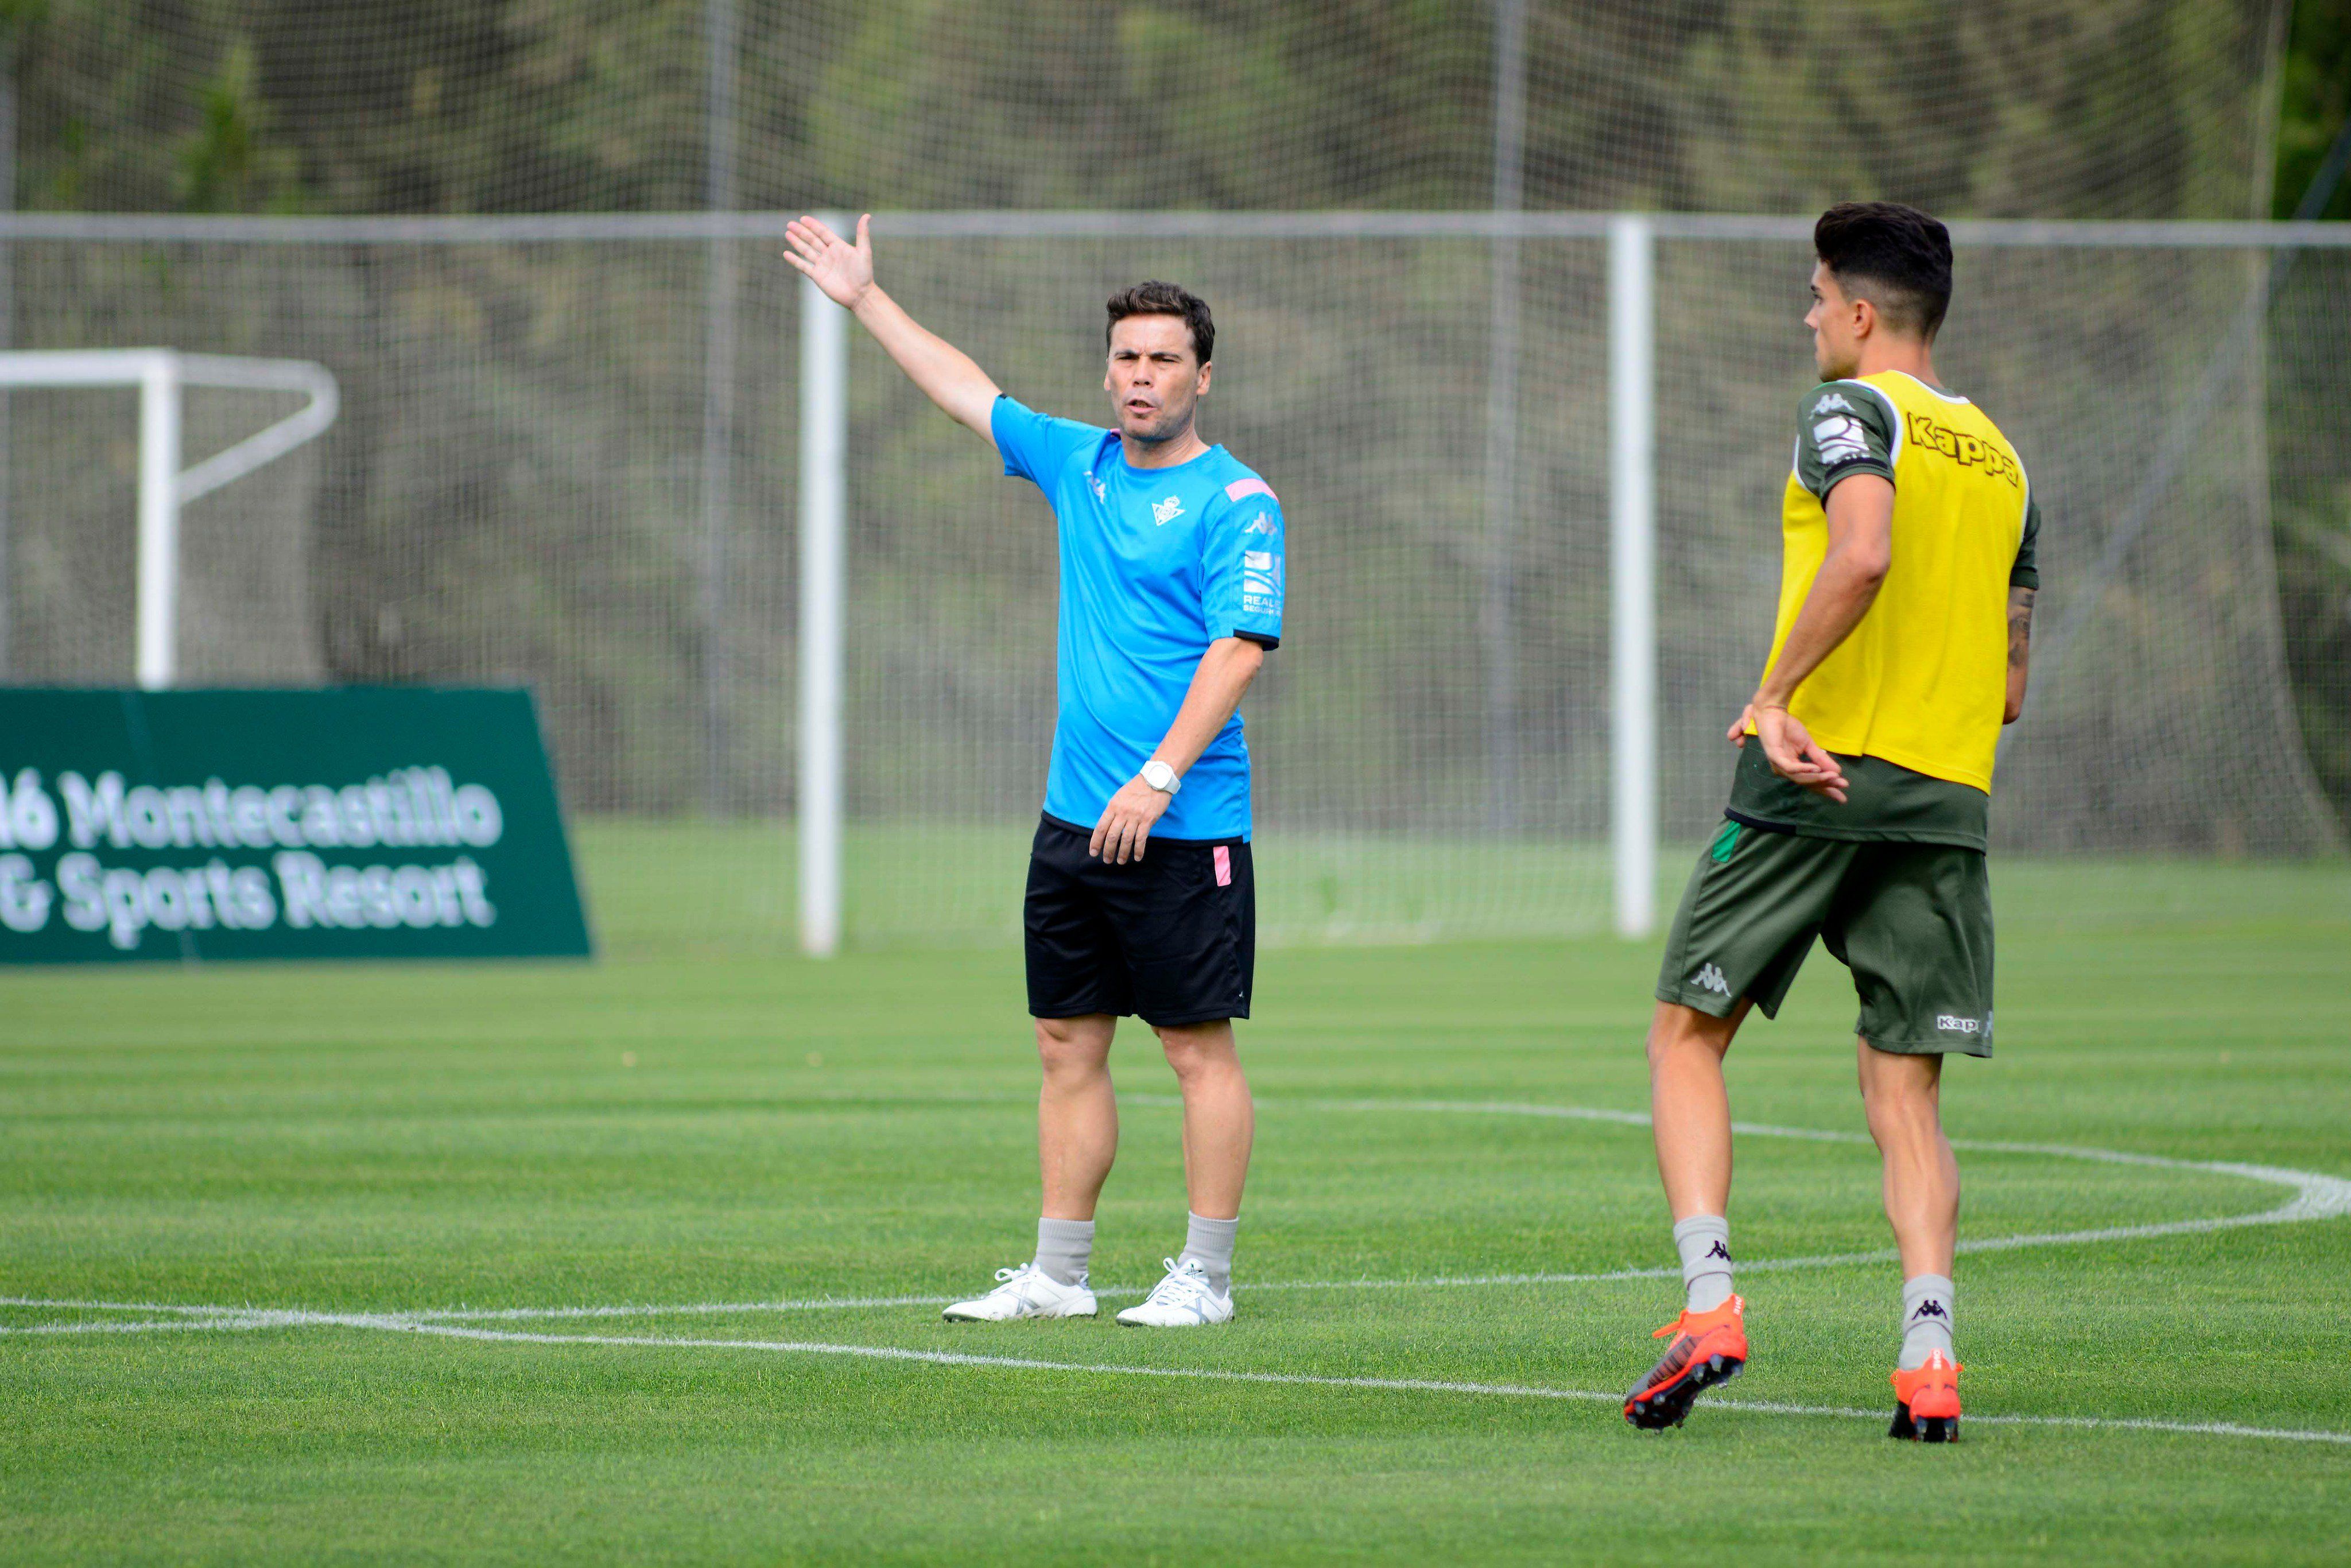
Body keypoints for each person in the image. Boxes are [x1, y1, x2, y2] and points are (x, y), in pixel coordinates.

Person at [783, 215, 1285, 1329]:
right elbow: (964, 388)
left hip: (1184, 820)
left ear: (1202, 377)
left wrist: (1158, 776)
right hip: (1073, 819)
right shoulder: (1079, 463)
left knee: (1195, 1052)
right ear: (1106, 372)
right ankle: (1059, 1274)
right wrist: (864, 298)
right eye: (1125, 357)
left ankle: (1204, 1279)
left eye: (1163, 359)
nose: (1140, 375)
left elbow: (1239, 649)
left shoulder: (1238, 502)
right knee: (1066, 1044)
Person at [1623, 202, 2040, 1441]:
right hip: (1945, 795)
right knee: (1903, 1095)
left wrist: (1772, 698)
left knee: (1683, 1036)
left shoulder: (1849, 412)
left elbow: (1860, 554)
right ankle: (1929, 1355)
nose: (1807, 319)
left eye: (1815, 299)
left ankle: (1709, 1306)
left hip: (1816, 771)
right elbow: (2010, 686)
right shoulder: (2005, 462)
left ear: (1859, 312)